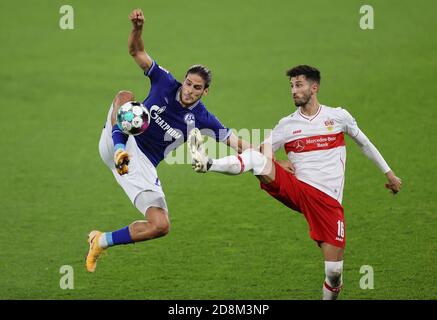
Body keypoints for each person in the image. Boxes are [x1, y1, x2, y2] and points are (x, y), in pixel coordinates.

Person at [188, 65, 402, 300]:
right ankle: (207, 163)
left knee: (334, 273)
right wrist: (277, 164)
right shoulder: (286, 126)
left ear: (314, 87)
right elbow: (263, 153)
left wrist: (389, 174)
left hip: (328, 202)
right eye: (291, 86)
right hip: (298, 190)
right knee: (255, 160)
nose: (293, 90)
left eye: (298, 85)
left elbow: (365, 143)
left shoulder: (338, 116)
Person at [86, 8, 250, 273]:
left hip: (141, 167)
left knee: (161, 226)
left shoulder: (204, 119)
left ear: (205, 92)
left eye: (197, 88)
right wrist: (137, 28)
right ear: (183, 80)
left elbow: (238, 143)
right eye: (188, 83)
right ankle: (119, 151)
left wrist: (271, 161)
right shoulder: (164, 82)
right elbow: (136, 52)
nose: (189, 90)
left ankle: (101, 241)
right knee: (125, 96)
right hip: (120, 143)